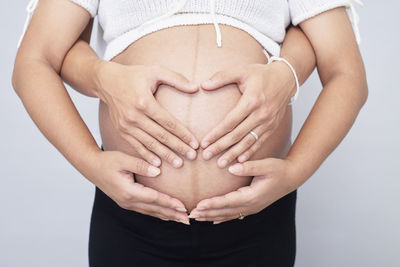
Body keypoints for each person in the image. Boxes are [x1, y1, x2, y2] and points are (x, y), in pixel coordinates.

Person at [12, 0, 368, 266]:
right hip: (132, 218)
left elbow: (346, 73)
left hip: (256, 217)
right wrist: (91, 162)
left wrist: (295, 172)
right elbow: (35, 60)